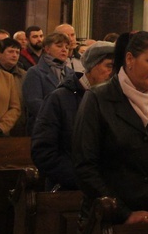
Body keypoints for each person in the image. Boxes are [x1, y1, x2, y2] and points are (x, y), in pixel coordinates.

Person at [74, 32, 148, 225]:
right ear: (130, 59)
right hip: (107, 218)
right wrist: (124, 213)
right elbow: (85, 166)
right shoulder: (98, 98)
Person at [33, 41, 114, 191]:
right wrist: (85, 179)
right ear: (92, 66)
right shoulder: (60, 98)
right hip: (70, 188)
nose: (114, 73)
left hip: (107, 188)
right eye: (109, 66)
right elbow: (44, 151)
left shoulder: (114, 100)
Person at [22, 33, 74, 135]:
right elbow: (33, 102)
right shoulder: (35, 72)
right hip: (43, 128)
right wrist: (59, 116)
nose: (64, 50)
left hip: (66, 130)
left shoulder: (70, 73)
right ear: (47, 49)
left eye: (67, 47)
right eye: (59, 46)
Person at [0, 38, 27, 136]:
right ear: (0, 53)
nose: (14, 55)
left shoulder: (25, 75)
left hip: (19, 125)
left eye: (17, 53)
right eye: (10, 51)